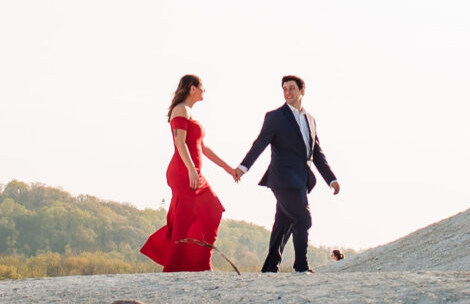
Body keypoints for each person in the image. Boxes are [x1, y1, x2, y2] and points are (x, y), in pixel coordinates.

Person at [236, 75, 339, 274]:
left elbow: (316, 153)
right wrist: (243, 167)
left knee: (284, 223)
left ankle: (269, 268)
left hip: (301, 179)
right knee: (303, 218)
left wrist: (331, 179)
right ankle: (301, 266)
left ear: (302, 91)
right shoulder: (275, 117)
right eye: (284, 89)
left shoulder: (310, 119)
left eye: (292, 88)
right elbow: (260, 143)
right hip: (282, 178)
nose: (288, 92)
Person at [139, 74, 242, 273]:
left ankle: (200, 263)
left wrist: (229, 169)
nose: (204, 90)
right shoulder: (180, 110)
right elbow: (179, 143)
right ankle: (175, 268)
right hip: (183, 172)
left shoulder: (190, 113)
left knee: (212, 210)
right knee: (183, 221)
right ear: (191, 88)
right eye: (201, 86)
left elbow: (203, 147)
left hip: (192, 172)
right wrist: (191, 171)